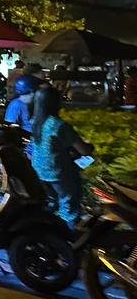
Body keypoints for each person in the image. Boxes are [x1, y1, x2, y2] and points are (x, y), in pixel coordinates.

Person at [30, 85, 92, 227]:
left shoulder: (36, 123)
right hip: (58, 173)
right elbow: (84, 151)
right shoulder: (59, 125)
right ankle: (69, 241)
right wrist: (90, 147)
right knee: (68, 208)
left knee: (53, 205)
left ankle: (51, 237)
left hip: (39, 172)